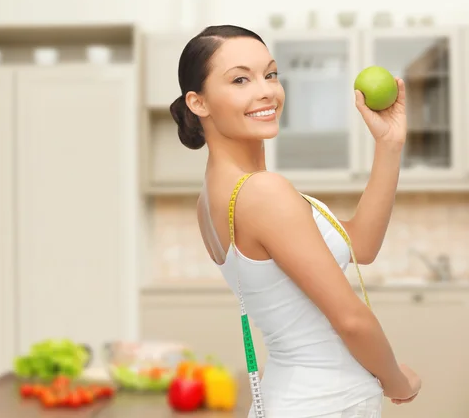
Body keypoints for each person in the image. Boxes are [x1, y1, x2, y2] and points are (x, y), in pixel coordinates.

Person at [169, 25, 421, 418]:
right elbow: (351, 319)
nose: (267, 90)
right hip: (323, 404)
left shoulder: (216, 195)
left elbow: (360, 246)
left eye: (270, 74)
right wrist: (397, 380)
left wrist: (389, 145)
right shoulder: (262, 192)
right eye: (240, 79)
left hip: (295, 399)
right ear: (198, 103)